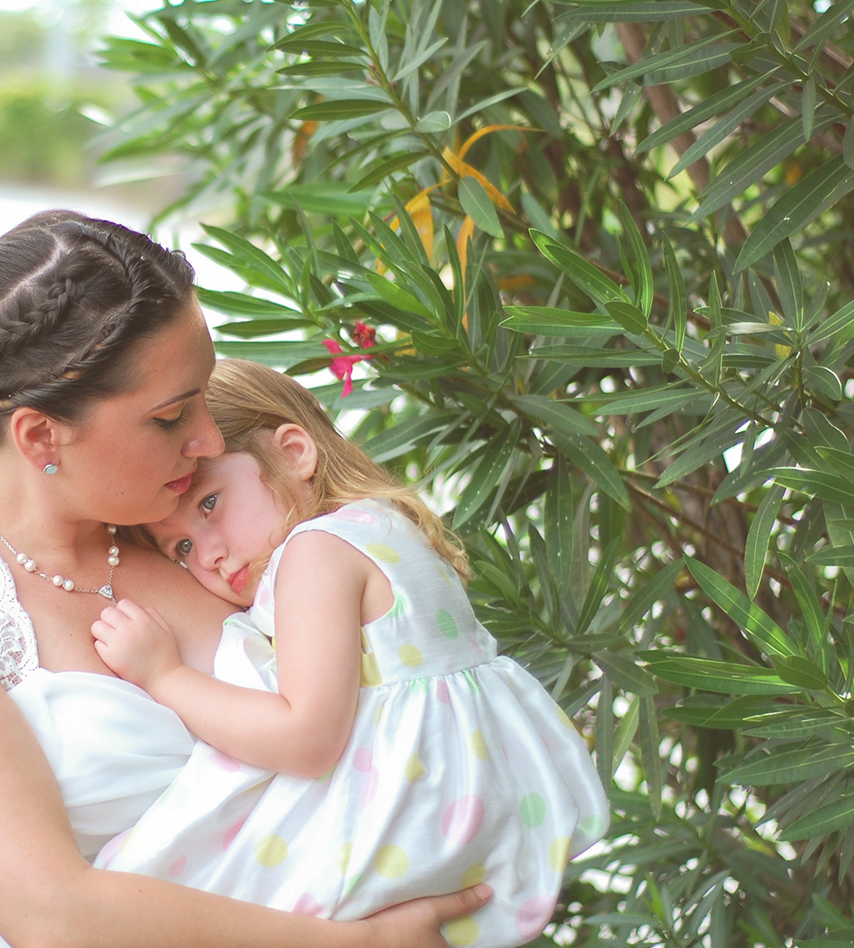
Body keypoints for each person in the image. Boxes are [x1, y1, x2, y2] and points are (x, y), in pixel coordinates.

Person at [0, 210, 492, 948]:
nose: (209, 439)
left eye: (203, 397)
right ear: (40, 436)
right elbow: (53, 914)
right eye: (170, 416)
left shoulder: (200, 533)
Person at [91, 359, 608, 947]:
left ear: (294, 453)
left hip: (398, 820)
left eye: (210, 504)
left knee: (153, 903)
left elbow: (306, 739)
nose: (205, 554)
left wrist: (164, 675)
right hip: (458, 812)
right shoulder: (381, 528)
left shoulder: (315, 554)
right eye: (180, 545)